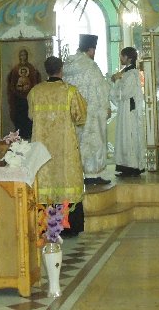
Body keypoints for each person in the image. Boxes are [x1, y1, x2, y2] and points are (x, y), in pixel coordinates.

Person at [28, 56, 87, 236]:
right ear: (61, 69)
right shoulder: (70, 91)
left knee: (46, 182)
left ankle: (47, 226)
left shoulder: (35, 92)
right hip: (65, 147)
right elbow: (81, 117)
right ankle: (68, 228)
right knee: (66, 180)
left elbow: (31, 116)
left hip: (43, 149)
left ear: (46, 70)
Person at [62, 34, 112, 187]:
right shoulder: (91, 66)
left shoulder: (67, 66)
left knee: (78, 142)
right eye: (94, 50)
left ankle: (78, 173)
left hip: (74, 113)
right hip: (91, 112)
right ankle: (92, 174)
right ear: (91, 49)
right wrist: (106, 106)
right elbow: (101, 89)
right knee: (93, 142)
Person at [110, 46, 146, 177]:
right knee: (124, 137)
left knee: (129, 137)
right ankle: (126, 167)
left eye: (122, 56)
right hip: (125, 110)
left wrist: (116, 81)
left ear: (128, 58)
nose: (120, 58)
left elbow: (124, 93)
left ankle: (132, 167)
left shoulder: (131, 74)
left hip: (129, 112)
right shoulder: (126, 72)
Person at [6, 48, 40, 138]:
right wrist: (19, 89)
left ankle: (28, 134)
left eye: (24, 55)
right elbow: (12, 83)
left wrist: (29, 87)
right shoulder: (15, 69)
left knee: (28, 116)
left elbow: (35, 82)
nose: (23, 57)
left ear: (27, 56)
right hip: (18, 98)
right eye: (21, 55)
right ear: (19, 56)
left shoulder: (31, 68)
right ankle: (19, 134)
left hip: (29, 98)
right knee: (19, 116)